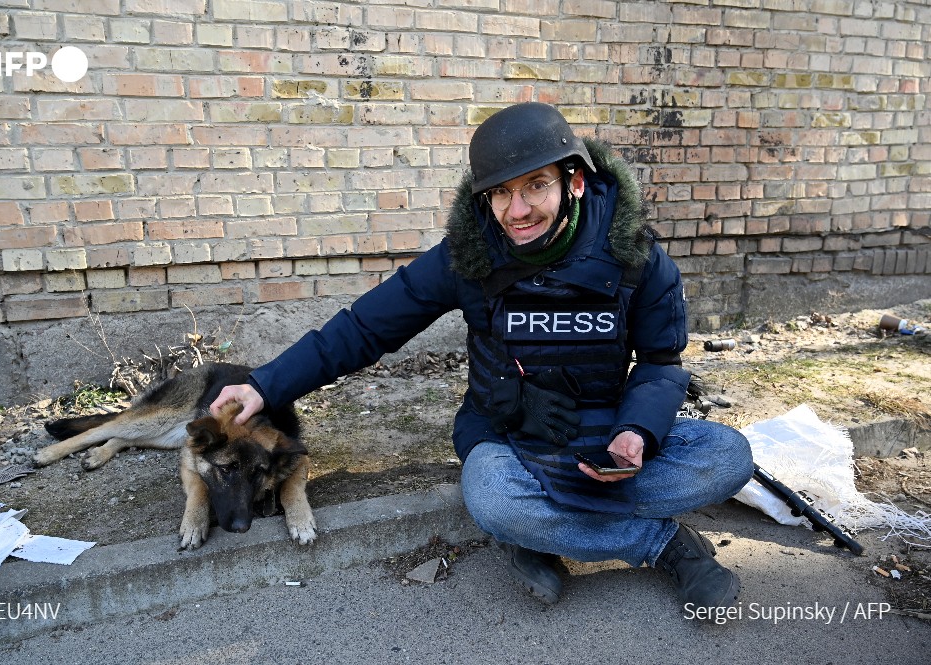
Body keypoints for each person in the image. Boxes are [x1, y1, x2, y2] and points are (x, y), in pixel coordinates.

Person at [210, 102, 754, 611]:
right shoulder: (467, 256)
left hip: (606, 438)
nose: (516, 211)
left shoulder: (638, 259)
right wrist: (264, 386)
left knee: (729, 456)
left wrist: (637, 430)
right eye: (499, 194)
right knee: (494, 502)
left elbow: (662, 364)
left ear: (576, 182)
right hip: (507, 440)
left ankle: (538, 532)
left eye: (536, 187)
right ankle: (662, 544)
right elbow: (363, 328)